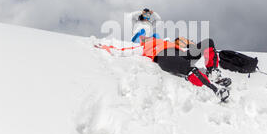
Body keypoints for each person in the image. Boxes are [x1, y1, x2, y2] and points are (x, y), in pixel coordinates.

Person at [95, 36, 230, 102]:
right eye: (145, 39)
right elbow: (124, 51)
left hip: (183, 54)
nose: (147, 39)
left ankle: (213, 72)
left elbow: (186, 44)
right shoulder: (143, 47)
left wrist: (190, 46)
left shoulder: (167, 41)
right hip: (165, 56)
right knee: (188, 69)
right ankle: (215, 89)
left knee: (208, 42)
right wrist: (108, 48)